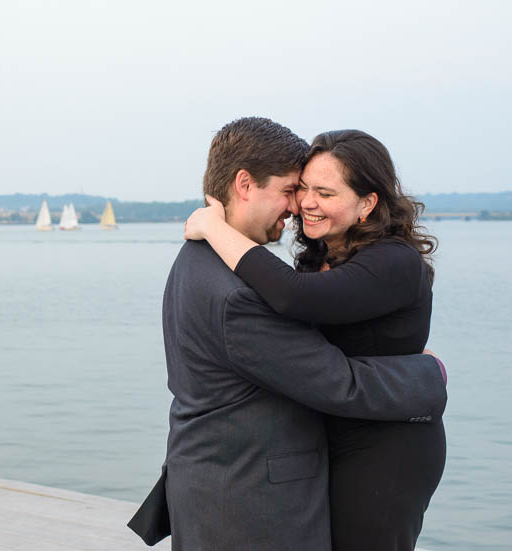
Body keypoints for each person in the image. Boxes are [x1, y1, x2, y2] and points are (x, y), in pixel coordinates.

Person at [128, 118, 447, 550]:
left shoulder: (203, 260)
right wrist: (429, 375)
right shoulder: (243, 288)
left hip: (382, 450)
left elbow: (298, 305)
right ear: (245, 185)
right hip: (249, 486)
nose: (300, 205)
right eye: (294, 190)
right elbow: (334, 377)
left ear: (367, 203)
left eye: (322, 192)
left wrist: (215, 227)